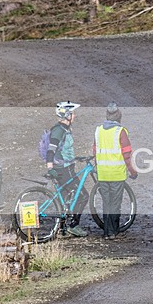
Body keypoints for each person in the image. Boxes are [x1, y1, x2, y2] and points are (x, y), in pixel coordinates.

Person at [93, 102, 138, 240]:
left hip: (102, 173)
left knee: (106, 203)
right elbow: (126, 155)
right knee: (115, 203)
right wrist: (133, 171)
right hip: (116, 174)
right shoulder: (121, 132)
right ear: (119, 117)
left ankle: (107, 232)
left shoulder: (98, 130)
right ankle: (113, 232)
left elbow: (95, 151)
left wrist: (98, 167)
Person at [45, 101, 88, 237]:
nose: (74, 116)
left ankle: (63, 227)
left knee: (66, 197)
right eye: (73, 113)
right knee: (82, 196)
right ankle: (73, 225)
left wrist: (77, 158)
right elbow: (51, 150)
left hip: (65, 168)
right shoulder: (59, 130)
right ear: (68, 115)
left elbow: (64, 150)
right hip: (63, 170)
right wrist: (50, 167)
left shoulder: (63, 129)